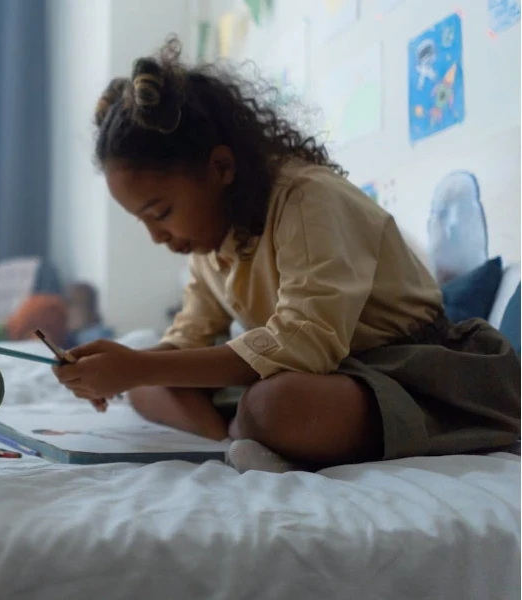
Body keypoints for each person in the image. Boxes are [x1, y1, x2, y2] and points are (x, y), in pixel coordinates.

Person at [52, 37, 520, 474]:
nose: (158, 236)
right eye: (144, 221)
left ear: (220, 168)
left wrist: (139, 366)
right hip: (329, 379)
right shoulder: (211, 246)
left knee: (272, 404)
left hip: (412, 370)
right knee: (149, 389)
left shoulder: (308, 198)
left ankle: (253, 430)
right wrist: (119, 371)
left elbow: (303, 342)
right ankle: (236, 438)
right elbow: (188, 340)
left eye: (162, 212)